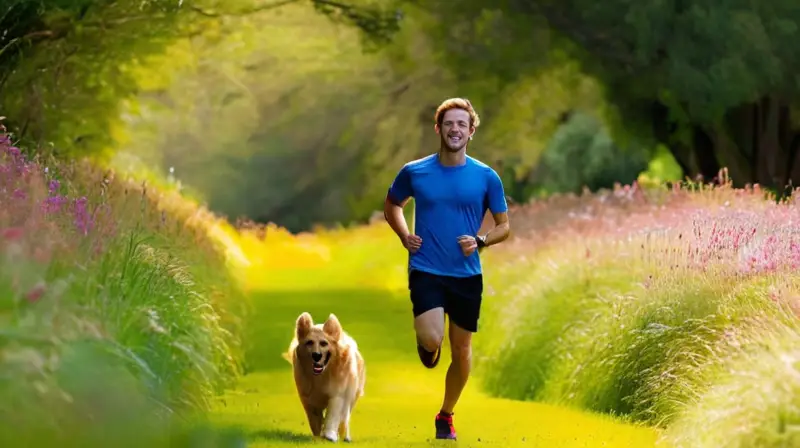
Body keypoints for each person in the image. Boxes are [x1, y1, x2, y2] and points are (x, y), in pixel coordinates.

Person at [382, 98, 510, 441]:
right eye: (449, 123)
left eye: (462, 124)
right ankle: (428, 344)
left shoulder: (486, 177)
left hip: (467, 274)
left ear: (471, 132)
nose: (455, 129)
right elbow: (392, 205)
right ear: (438, 128)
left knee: (463, 351)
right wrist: (404, 235)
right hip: (426, 268)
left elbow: (504, 226)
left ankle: (446, 414)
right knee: (431, 337)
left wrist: (480, 241)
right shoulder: (415, 171)